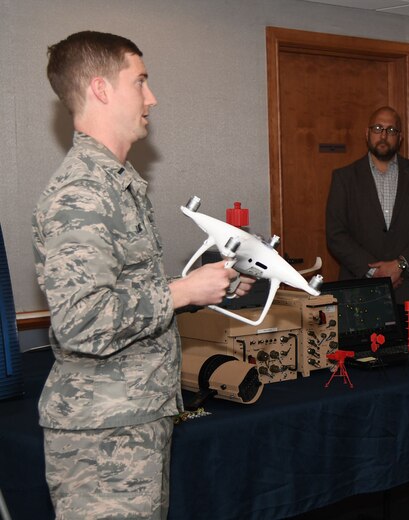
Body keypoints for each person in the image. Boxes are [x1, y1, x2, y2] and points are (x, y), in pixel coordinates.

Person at [33, 31, 254, 519]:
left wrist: (205, 288)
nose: (151, 98)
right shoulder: (82, 193)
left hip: (131, 422)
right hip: (102, 439)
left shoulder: (116, 185)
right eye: (140, 82)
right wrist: (182, 291)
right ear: (101, 89)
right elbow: (81, 322)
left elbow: (127, 292)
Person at [326, 106, 409, 347]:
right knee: (361, 367)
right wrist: (375, 273)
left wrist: (400, 265)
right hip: (359, 295)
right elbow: (336, 234)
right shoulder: (344, 178)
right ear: (367, 133)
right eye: (378, 128)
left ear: (400, 138)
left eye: (391, 130)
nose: (383, 135)